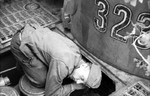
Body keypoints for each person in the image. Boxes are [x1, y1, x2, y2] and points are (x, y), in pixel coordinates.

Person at [10, 23, 102, 96]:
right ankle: (23, 65)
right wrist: (74, 86)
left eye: (82, 81)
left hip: (31, 29)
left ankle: (28, 67)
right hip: (19, 43)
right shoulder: (63, 64)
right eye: (82, 78)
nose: (78, 81)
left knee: (52, 71)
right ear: (85, 66)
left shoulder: (77, 54)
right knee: (42, 82)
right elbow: (50, 94)